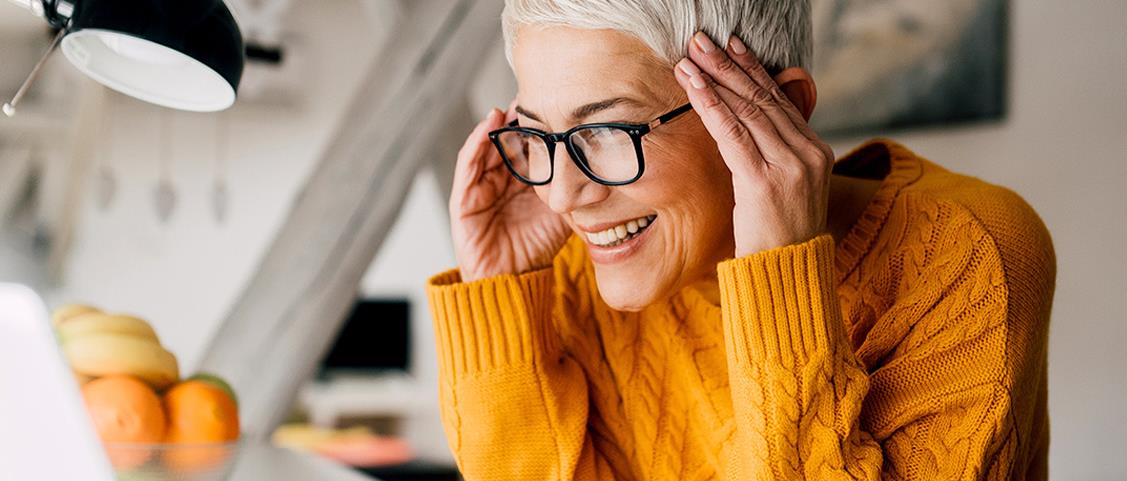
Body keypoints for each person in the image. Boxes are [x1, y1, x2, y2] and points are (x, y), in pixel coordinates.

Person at [425, 0, 1055, 479]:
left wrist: (779, 277)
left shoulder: (966, 254)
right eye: (537, 134)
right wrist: (499, 292)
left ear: (781, 107)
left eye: (609, 131)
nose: (563, 195)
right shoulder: (576, 262)